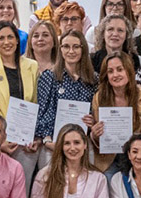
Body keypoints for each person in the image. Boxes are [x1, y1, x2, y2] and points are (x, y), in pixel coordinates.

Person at [0, 22, 40, 190]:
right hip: (1, 141)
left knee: (23, 192)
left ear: (17, 40)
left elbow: (35, 103)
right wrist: (2, 139)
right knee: (0, 192)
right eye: (1, 38)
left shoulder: (32, 66)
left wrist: (32, 136)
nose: (6, 42)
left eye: (10, 37)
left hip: (27, 142)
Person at [35, 29, 97, 168]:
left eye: (76, 47)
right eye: (66, 46)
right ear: (60, 49)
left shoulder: (93, 79)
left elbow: (96, 110)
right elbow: (44, 111)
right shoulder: (48, 77)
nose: (71, 51)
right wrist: (47, 139)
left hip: (82, 145)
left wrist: (93, 120)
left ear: (83, 49)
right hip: (54, 143)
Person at [89, 52, 141, 174]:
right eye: (110, 71)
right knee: (107, 182)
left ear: (129, 71)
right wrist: (94, 135)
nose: (115, 75)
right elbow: (98, 141)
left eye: (120, 69)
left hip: (138, 158)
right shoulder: (99, 98)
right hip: (108, 160)